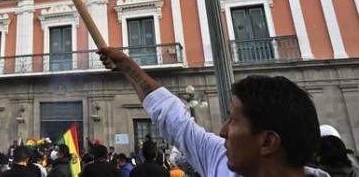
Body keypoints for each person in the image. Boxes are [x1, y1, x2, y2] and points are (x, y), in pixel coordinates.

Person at [98, 46, 329, 177]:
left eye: (233, 120)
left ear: (268, 141)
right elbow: (173, 119)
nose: (222, 130)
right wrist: (127, 66)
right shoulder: (219, 159)